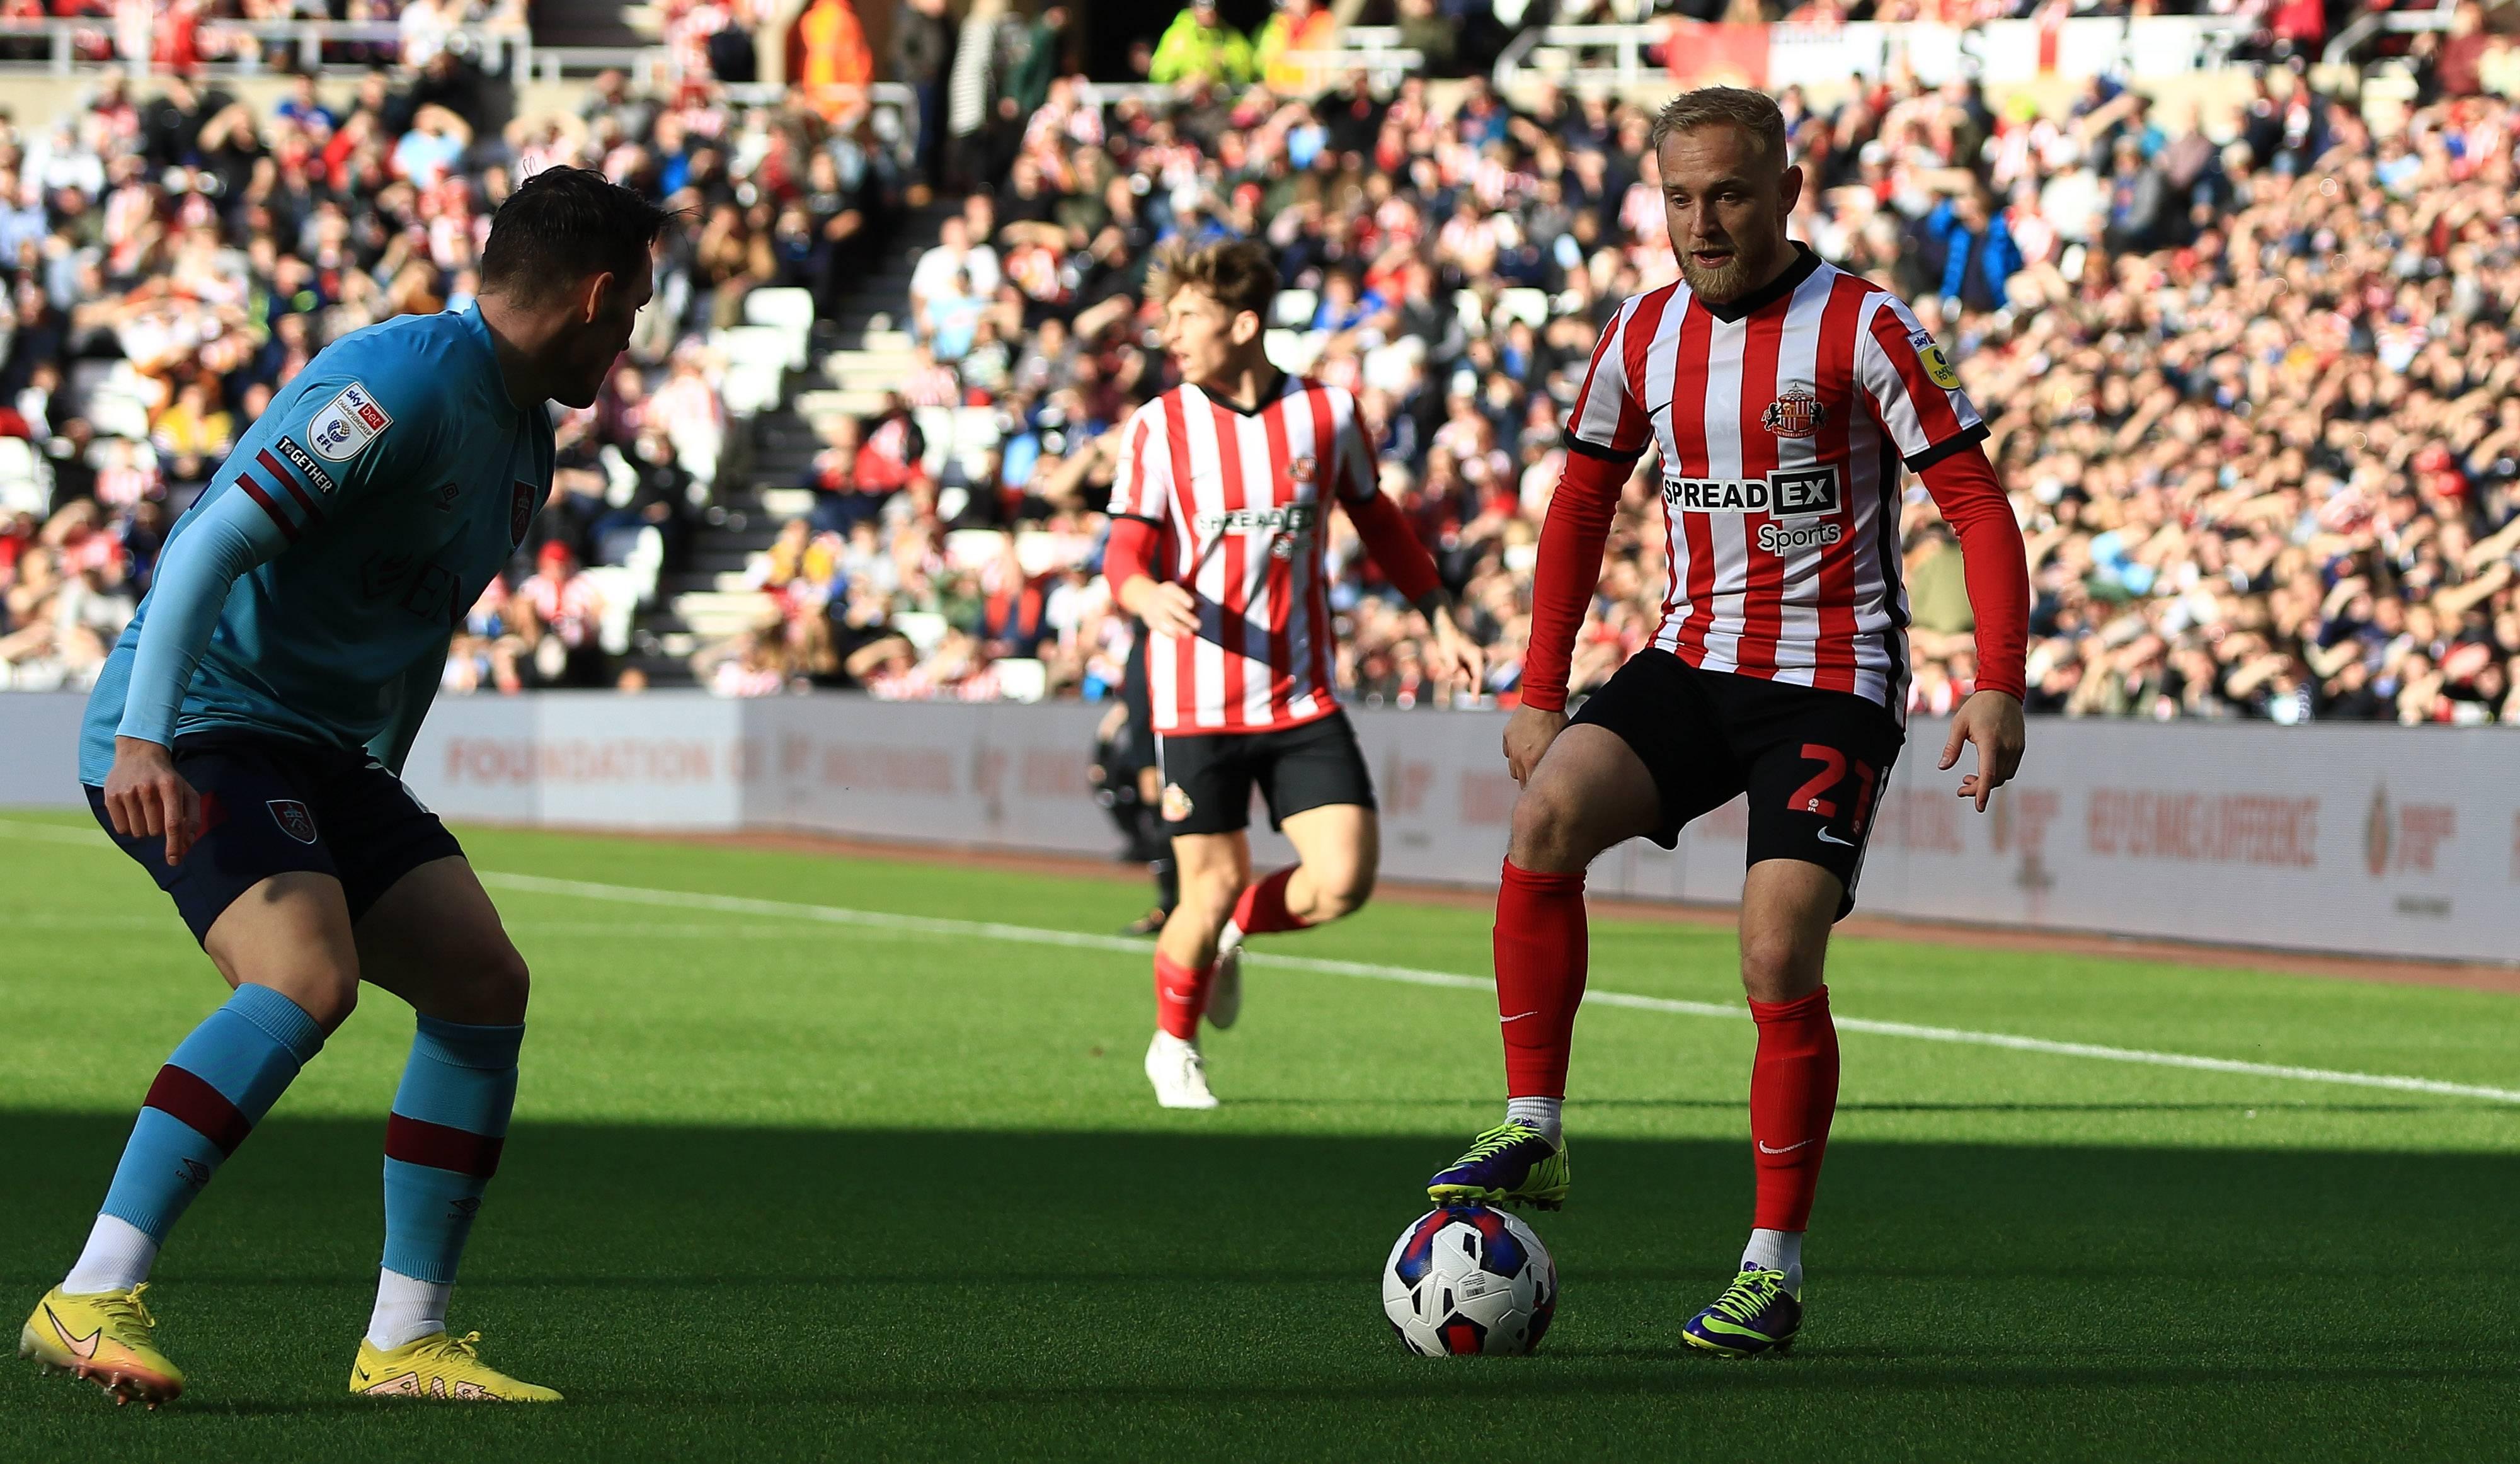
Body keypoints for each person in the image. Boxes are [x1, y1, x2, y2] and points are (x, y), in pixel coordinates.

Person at [22, 166, 674, 1407]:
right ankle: (91, 1290)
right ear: (596, 296)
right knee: (304, 979)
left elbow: (424, 620)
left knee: (483, 980)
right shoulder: (403, 381)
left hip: (323, 750)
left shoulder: (525, 438)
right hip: (205, 720)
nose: (633, 334)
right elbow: (212, 538)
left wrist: (388, 768)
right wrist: (147, 739)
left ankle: (406, 1343)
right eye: (635, 310)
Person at [1419, 89, 2029, 1358]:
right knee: (1544, 818)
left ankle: (1772, 1266)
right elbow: (1580, 503)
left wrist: (1996, 676)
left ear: (1787, 190)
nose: (1704, 221)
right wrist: (1540, 685)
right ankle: (1532, 1128)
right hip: (1693, 658)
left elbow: (1972, 499)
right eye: (1682, 197)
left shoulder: (1863, 325)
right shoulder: (1639, 332)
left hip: (1829, 675)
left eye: (1731, 194)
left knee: (1772, 948)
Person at [1102, 239, 1478, 1109]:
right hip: (1195, 700)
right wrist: (1141, 589)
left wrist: (1439, 614)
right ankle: (1173, 1048)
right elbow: (1123, 543)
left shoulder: (1324, 414)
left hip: (1300, 695)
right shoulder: (1161, 424)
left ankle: (1237, 930)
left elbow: (1379, 521)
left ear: (1243, 324)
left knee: (1343, 881)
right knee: (1207, 883)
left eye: (1187, 317)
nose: (1172, 335)